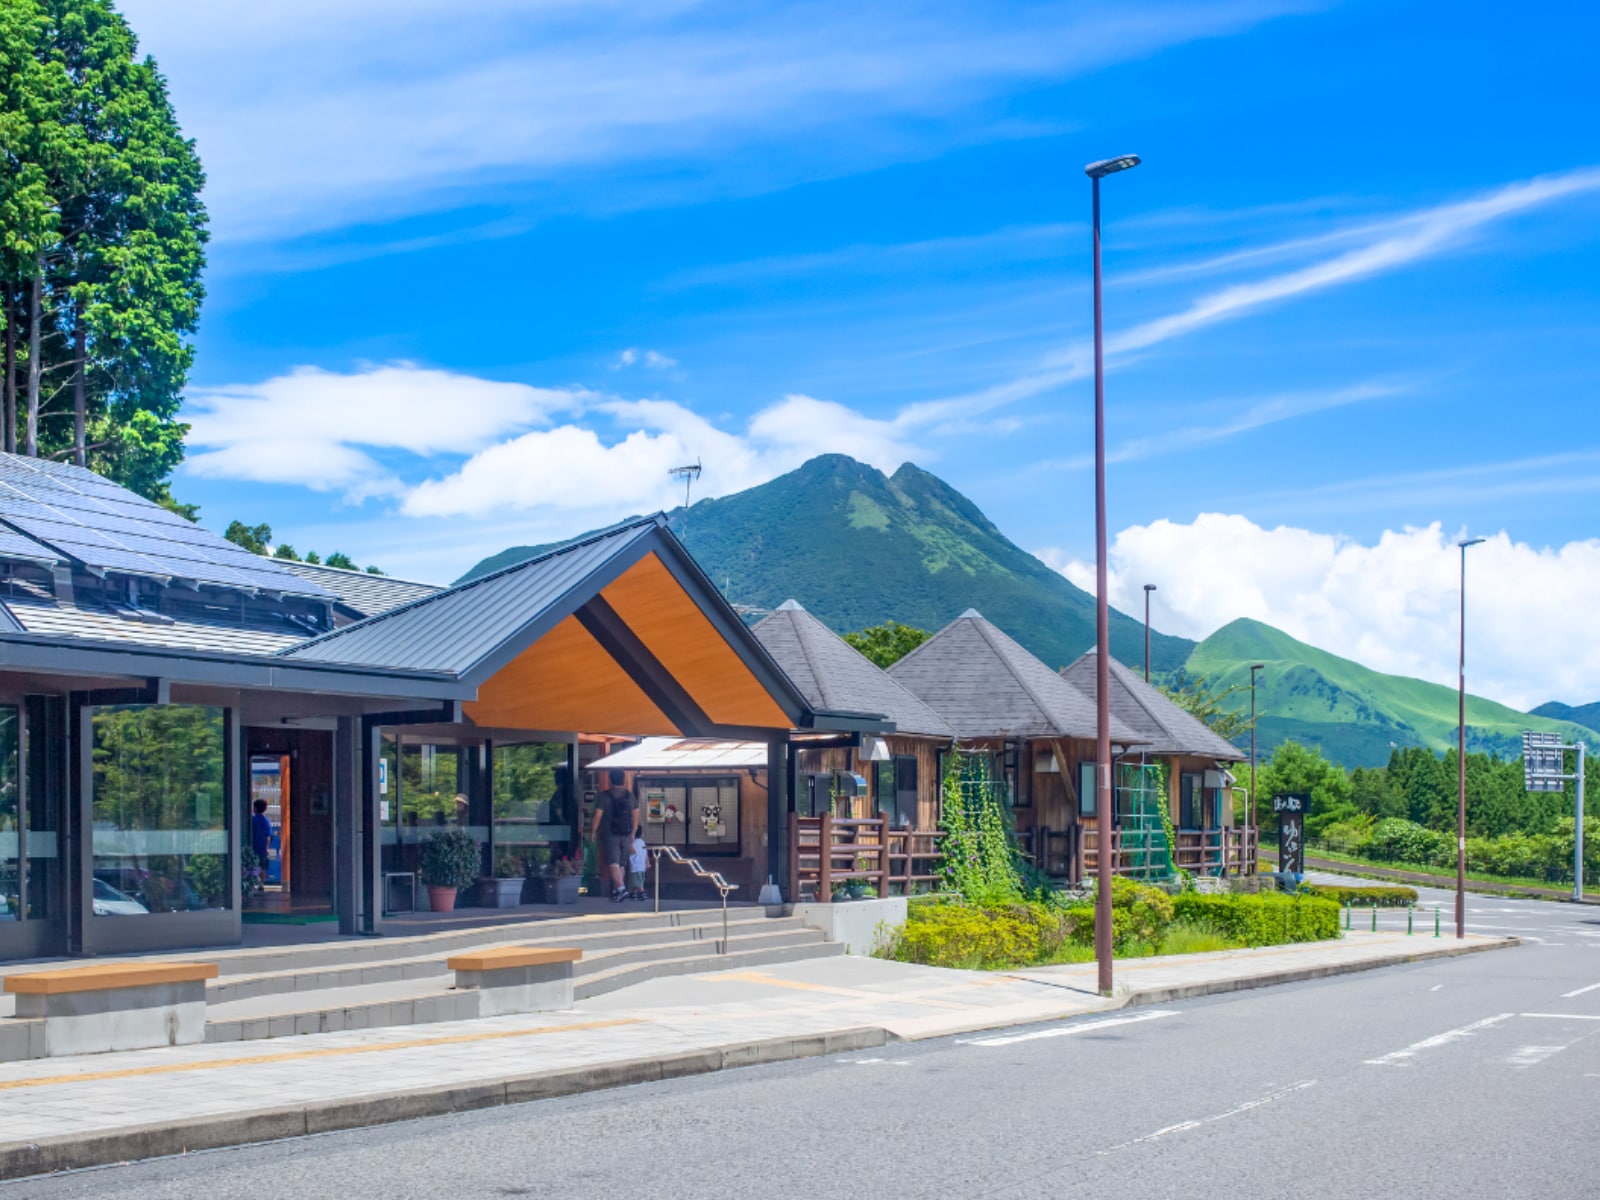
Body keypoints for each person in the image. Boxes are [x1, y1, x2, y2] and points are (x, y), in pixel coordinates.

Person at [589, 769, 638, 902]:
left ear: (610, 780)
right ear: (623, 779)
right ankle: (617, 891)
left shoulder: (604, 796)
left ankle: (621, 889)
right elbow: (635, 816)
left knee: (613, 863)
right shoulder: (630, 796)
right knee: (621, 864)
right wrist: (633, 833)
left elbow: (597, 815)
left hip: (610, 834)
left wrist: (593, 831)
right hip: (627, 834)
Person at [250, 798, 272, 875]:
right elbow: (268, 836)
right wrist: (267, 848)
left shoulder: (252, 820)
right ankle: (261, 883)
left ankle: (255, 881)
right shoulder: (266, 821)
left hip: (253, 846)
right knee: (262, 866)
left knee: (255, 866)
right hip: (262, 847)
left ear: (255, 808)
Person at [628, 830, 649, 901]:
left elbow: (632, 853)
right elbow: (645, 854)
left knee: (637, 881)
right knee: (640, 879)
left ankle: (642, 892)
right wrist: (647, 863)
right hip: (642, 865)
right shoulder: (642, 842)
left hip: (635, 865)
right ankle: (634, 893)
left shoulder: (632, 843)